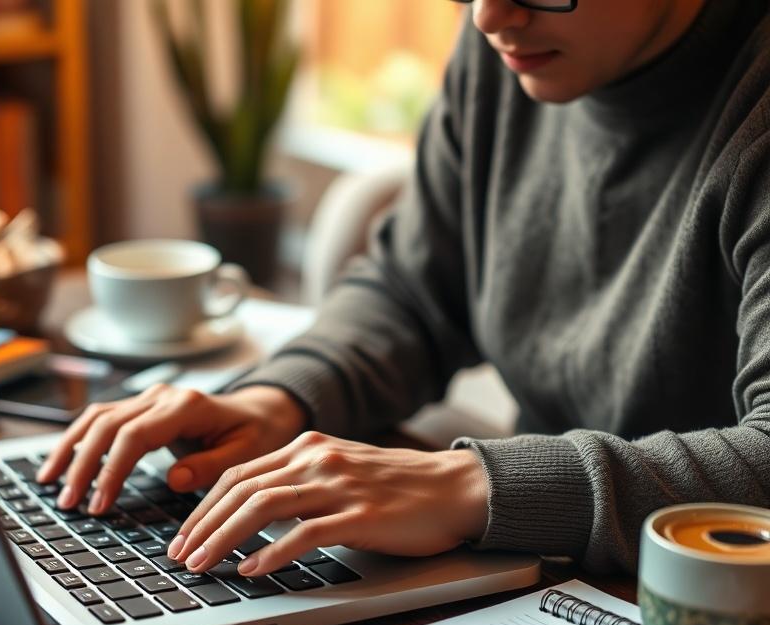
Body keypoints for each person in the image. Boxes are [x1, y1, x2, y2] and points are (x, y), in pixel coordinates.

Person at [38, 0, 770, 578]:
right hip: (548, 570)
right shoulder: (513, 50)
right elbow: (414, 290)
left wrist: (469, 487)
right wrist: (278, 399)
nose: (487, 17)